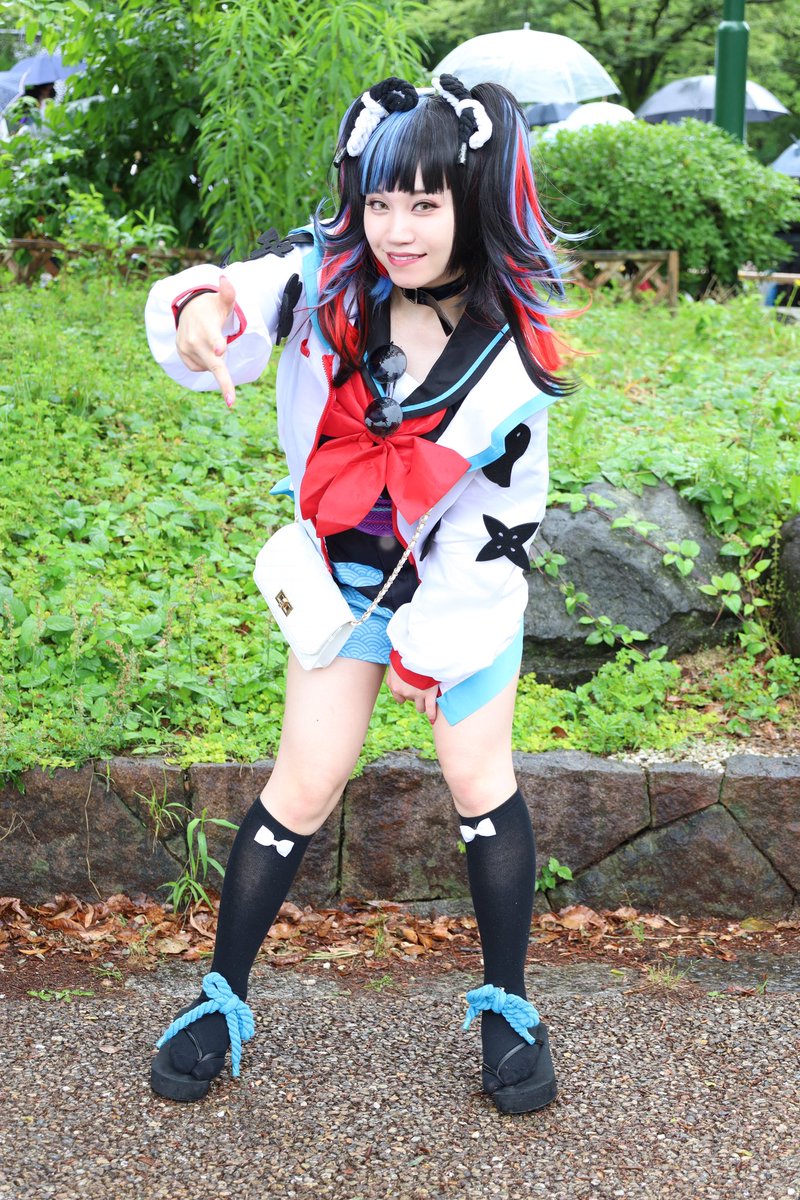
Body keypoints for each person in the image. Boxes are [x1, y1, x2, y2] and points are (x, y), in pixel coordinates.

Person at [144, 73, 576, 1115]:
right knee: (302, 784)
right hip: (345, 587)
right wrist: (201, 310)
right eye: (379, 201)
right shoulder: (328, 282)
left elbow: (498, 522)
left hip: (460, 594)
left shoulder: (511, 354)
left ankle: (508, 1002)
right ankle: (220, 996)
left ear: (473, 199)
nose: (395, 229)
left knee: (478, 779)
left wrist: (434, 648)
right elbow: (241, 293)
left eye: (424, 203)